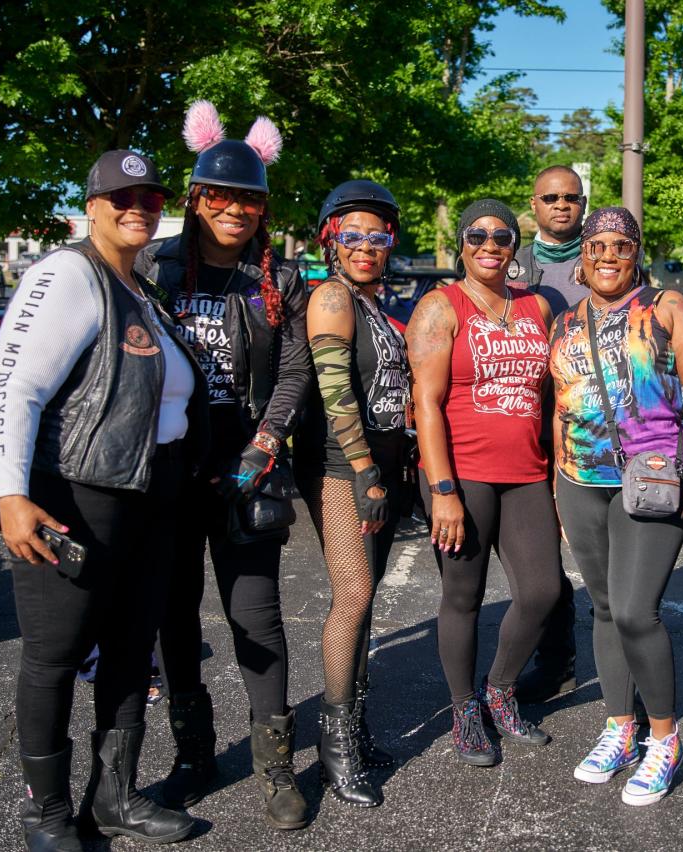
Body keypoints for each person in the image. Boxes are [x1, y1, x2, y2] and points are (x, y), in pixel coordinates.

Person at [0, 150, 203, 850]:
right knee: (53, 657)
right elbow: (16, 389)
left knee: (131, 653)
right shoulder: (67, 275)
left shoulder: (135, 286)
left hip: (149, 498)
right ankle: (45, 814)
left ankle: (115, 799)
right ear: (91, 205)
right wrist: (11, 494)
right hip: (75, 496)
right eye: (121, 197)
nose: (136, 207)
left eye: (149, 197)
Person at [135, 101, 312, 830]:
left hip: (249, 471)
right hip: (171, 472)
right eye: (219, 195)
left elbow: (296, 373)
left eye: (248, 197)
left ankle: (276, 765)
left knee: (256, 619)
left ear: (263, 206)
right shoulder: (156, 265)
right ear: (196, 197)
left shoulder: (282, 277)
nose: (233, 209)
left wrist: (263, 446)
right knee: (173, 620)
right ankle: (195, 756)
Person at [550, 206, 683, 806]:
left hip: (653, 477)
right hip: (580, 479)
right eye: (595, 246)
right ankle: (618, 729)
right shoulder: (566, 322)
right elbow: (560, 404)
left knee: (634, 612)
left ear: (636, 254)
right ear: (582, 254)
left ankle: (663, 738)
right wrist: (555, 482)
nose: (605, 257)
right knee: (599, 608)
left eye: (618, 247)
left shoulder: (667, 308)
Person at [406, 198, 562, 768]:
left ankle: (500, 689)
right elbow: (425, 401)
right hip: (462, 475)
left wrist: (557, 470)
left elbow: (550, 398)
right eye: (478, 235)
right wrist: (442, 491)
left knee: (543, 590)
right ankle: (464, 708)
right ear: (463, 244)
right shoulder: (439, 307)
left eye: (502, 236)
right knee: (463, 596)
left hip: (526, 473)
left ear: (516, 247)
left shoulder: (537, 308)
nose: (490, 245)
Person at [292, 180, 410, 807]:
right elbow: (335, 390)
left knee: (365, 602)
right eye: (352, 234)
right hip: (342, 467)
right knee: (354, 593)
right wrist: (365, 467)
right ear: (330, 240)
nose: (366, 246)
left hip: (381, 468)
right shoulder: (333, 297)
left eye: (377, 235)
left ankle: (356, 728)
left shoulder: (377, 306)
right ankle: (334, 747)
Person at [510, 164, 588, 703]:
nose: (562, 205)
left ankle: (622, 658)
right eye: (551, 197)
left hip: (589, 431)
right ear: (534, 204)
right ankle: (555, 659)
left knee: (599, 550)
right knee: (540, 558)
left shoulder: (606, 255)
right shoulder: (510, 259)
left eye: (571, 197)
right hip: (521, 430)